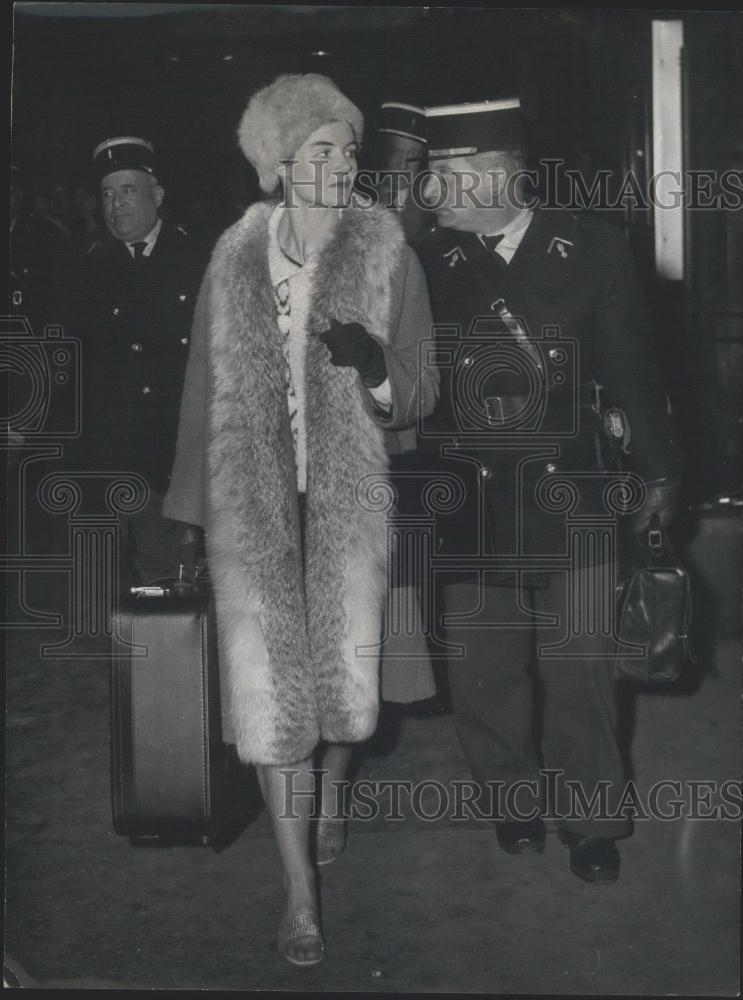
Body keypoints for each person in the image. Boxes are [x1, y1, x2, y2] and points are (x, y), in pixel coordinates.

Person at [162, 73, 438, 966]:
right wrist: (189, 513)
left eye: (349, 149)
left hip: (351, 499)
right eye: (321, 150)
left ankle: (334, 792)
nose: (342, 164)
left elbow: (423, 391)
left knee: (349, 695)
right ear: (277, 166)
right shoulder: (233, 258)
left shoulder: (388, 252)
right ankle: (299, 899)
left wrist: (373, 367)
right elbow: (201, 396)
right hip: (255, 502)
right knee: (271, 697)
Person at [416, 97, 683, 883]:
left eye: (451, 177)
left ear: (501, 175)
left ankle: (592, 820)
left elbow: (635, 373)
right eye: (432, 177)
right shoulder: (425, 265)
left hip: (576, 491)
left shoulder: (595, 251)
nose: (435, 194)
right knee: (483, 668)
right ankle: (512, 801)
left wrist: (662, 475)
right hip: (470, 494)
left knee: (580, 668)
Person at [53, 136, 207, 585]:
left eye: (128, 191)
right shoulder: (81, 267)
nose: (116, 205)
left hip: (172, 454)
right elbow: (66, 363)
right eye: (107, 193)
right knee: (112, 584)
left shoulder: (198, 260)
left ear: (157, 196)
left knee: (166, 581)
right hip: (108, 457)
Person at [374, 101, 431, 244]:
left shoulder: (431, 207)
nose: (403, 165)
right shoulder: (355, 196)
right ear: (382, 153)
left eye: (413, 155)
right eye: (394, 153)